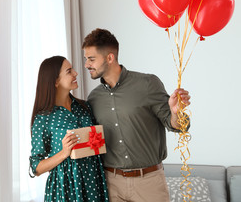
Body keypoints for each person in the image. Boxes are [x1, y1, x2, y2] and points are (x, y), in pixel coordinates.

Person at [82, 28, 191, 202]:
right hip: (111, 183)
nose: (87, 64)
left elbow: (176, 126)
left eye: (91, 59)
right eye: (86, 59)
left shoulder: (148, 84)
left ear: (110, 58)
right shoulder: (93, 98)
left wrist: (175, 112)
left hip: (149, 182)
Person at [29, 55, 109, 202]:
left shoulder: (85, 108)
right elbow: (36, 167)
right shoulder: (44, 118)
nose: (75, 73)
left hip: (93, 182)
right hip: (65, 189)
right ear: (56, 81)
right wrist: (64, 152)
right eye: (69, 71)